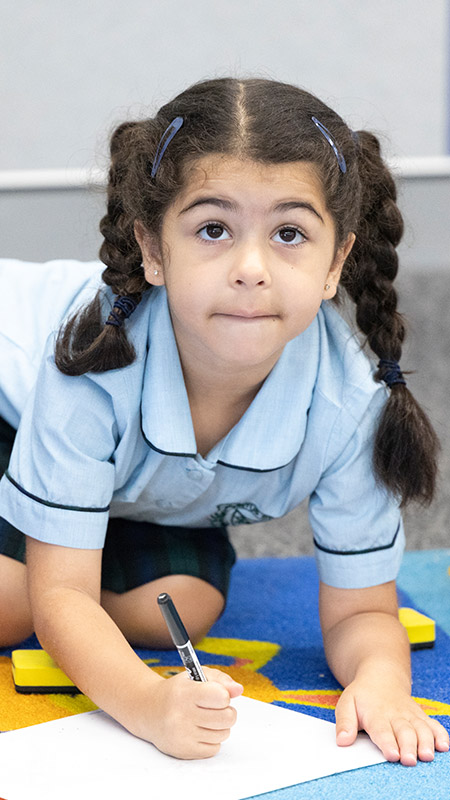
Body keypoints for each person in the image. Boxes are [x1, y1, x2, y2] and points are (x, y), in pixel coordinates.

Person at [0, 77, 448, 764]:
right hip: (12, 409)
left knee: (181, 607)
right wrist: (148, 705)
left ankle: (74, 539)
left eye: (289, 234)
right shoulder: (89, 362)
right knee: (19, 603)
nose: (250, 268)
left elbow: (362, 613)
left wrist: (383, 680)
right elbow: (62, 595)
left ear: (336, 263)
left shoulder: (349, 402)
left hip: (141, 488)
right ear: (152, 250)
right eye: (213, 229)